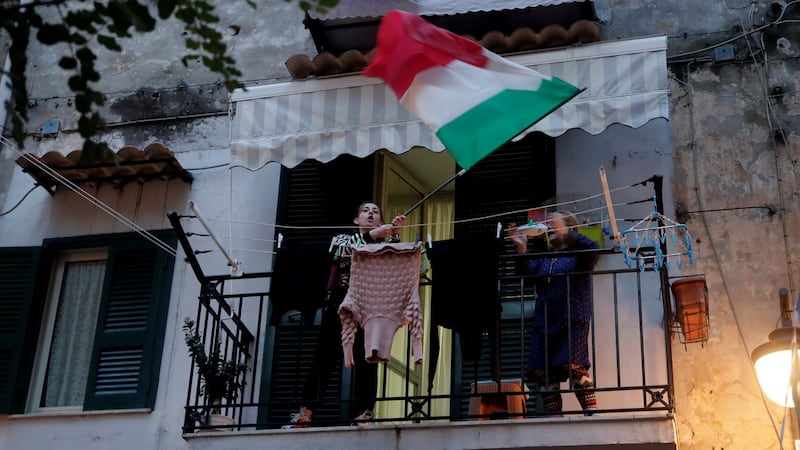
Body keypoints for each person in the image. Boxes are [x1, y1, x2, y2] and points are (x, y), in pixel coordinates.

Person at [284, 201, 406, 428]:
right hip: (340, 305)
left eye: (375, 212)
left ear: (380, 221)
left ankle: (363, 413)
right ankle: (305, 412)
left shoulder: (384, 244)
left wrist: (395, 235)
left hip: (370, 307)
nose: (370, 214)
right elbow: (341, 252)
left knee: (368, 358)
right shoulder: (342, 238)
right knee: (325, 358)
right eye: (365, 211)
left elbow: (396, 261)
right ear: (356, 219)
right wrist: (371, 236)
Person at [508, 211, 599, 415]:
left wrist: (566, 233)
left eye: (553, 223)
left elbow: (593, 250)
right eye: (547, 224)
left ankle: (591, 414)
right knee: (544, 372)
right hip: (544, 323)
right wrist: (521, 249)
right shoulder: (545, 258)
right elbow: (524, 274)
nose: (548, 227)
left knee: (574, 365)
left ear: (568, 228)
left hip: (572, 319)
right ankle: (554, 418)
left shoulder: (578, 255)